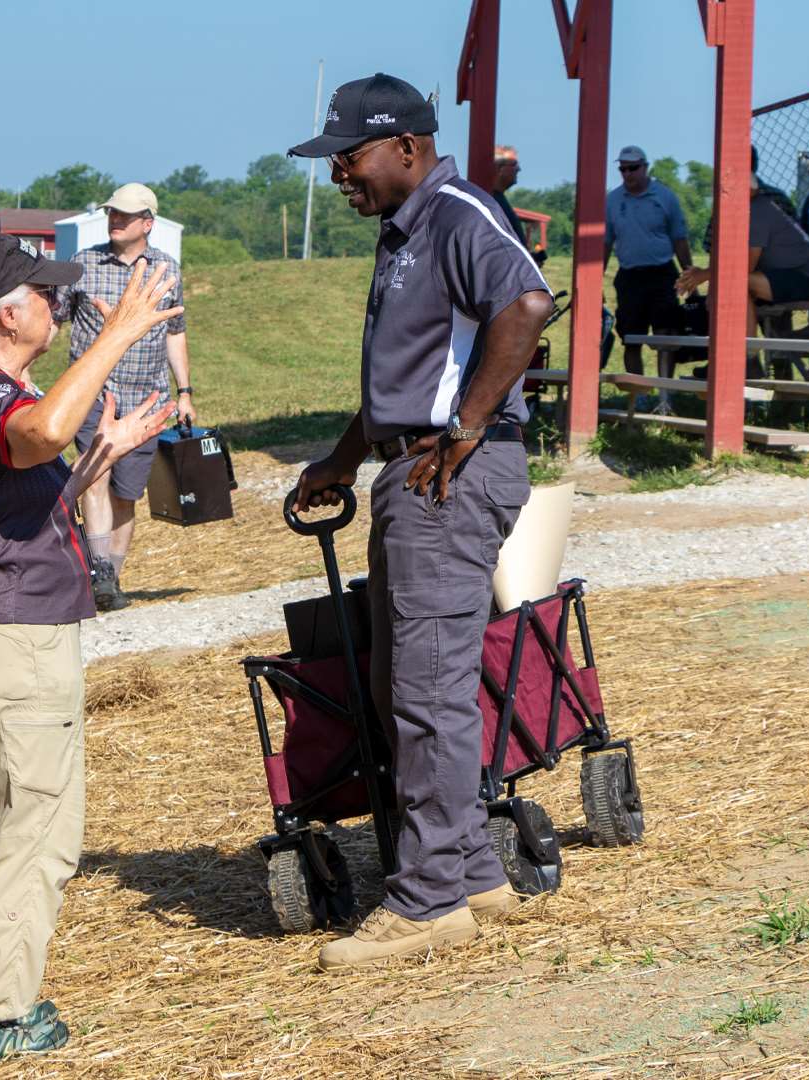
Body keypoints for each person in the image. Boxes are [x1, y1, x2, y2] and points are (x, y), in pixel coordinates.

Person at [0, 233, 180, 1073]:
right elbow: (42, 432)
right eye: (46, 295)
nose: (59, 306)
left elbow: (21, 492)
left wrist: (106, 456)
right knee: (38, 837)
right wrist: (121, 335)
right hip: (14, 645)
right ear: (8, 314)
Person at [287, 72, 552, 971]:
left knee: (426, 688)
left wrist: (467, 430)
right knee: (411, 673)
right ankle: (473, 870)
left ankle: (430, 898)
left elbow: (526, 306)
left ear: (406, 147)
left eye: (348, 158)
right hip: (417, 468)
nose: (339, 177)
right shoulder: (406, 229)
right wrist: (343, 455)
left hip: (449, 476)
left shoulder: (458, 213)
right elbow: (415, 373)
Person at [58, 182, 192, 613]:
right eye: (112, 213)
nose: (115, 220)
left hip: (145, 399)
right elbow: (53, 318)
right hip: (94, 393)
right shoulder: (83, 264)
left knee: (126, 494)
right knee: (93, 477)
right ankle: (97, 572)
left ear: (147, 223)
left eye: (125, 215)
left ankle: (111, 578)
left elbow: (176, 332)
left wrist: (184, 391)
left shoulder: (167, 270)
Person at [676, 173, 809, 348]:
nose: (721, 194)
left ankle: (747, 358)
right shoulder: (743, 210)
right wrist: (705, 276)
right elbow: (727, 256)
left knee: (736, 282)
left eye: (726, 190)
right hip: (784, 275)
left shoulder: (756, 210)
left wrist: (704, 274)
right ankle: (731, 356)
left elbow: (745, 268)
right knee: (730, 283)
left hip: (808, 277)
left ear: (748, 190)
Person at [604, 145, 692, 375]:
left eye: (633, 168)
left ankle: (665, 395)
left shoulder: (664, 197)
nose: (628, 174)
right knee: (631, 338)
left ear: (645, 167)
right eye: (623, 169)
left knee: (667, 334)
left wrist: (689, 274)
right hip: (629, 276)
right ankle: (639, 395)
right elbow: (604, 243)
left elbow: (679, 239)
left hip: (662, 274)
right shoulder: (612, 200)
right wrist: (595, 281)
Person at [490, 145, 547, 264]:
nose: (518, 169)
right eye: (514, 164)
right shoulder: (491, 202)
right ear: (499, 168)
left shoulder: (498, 200)